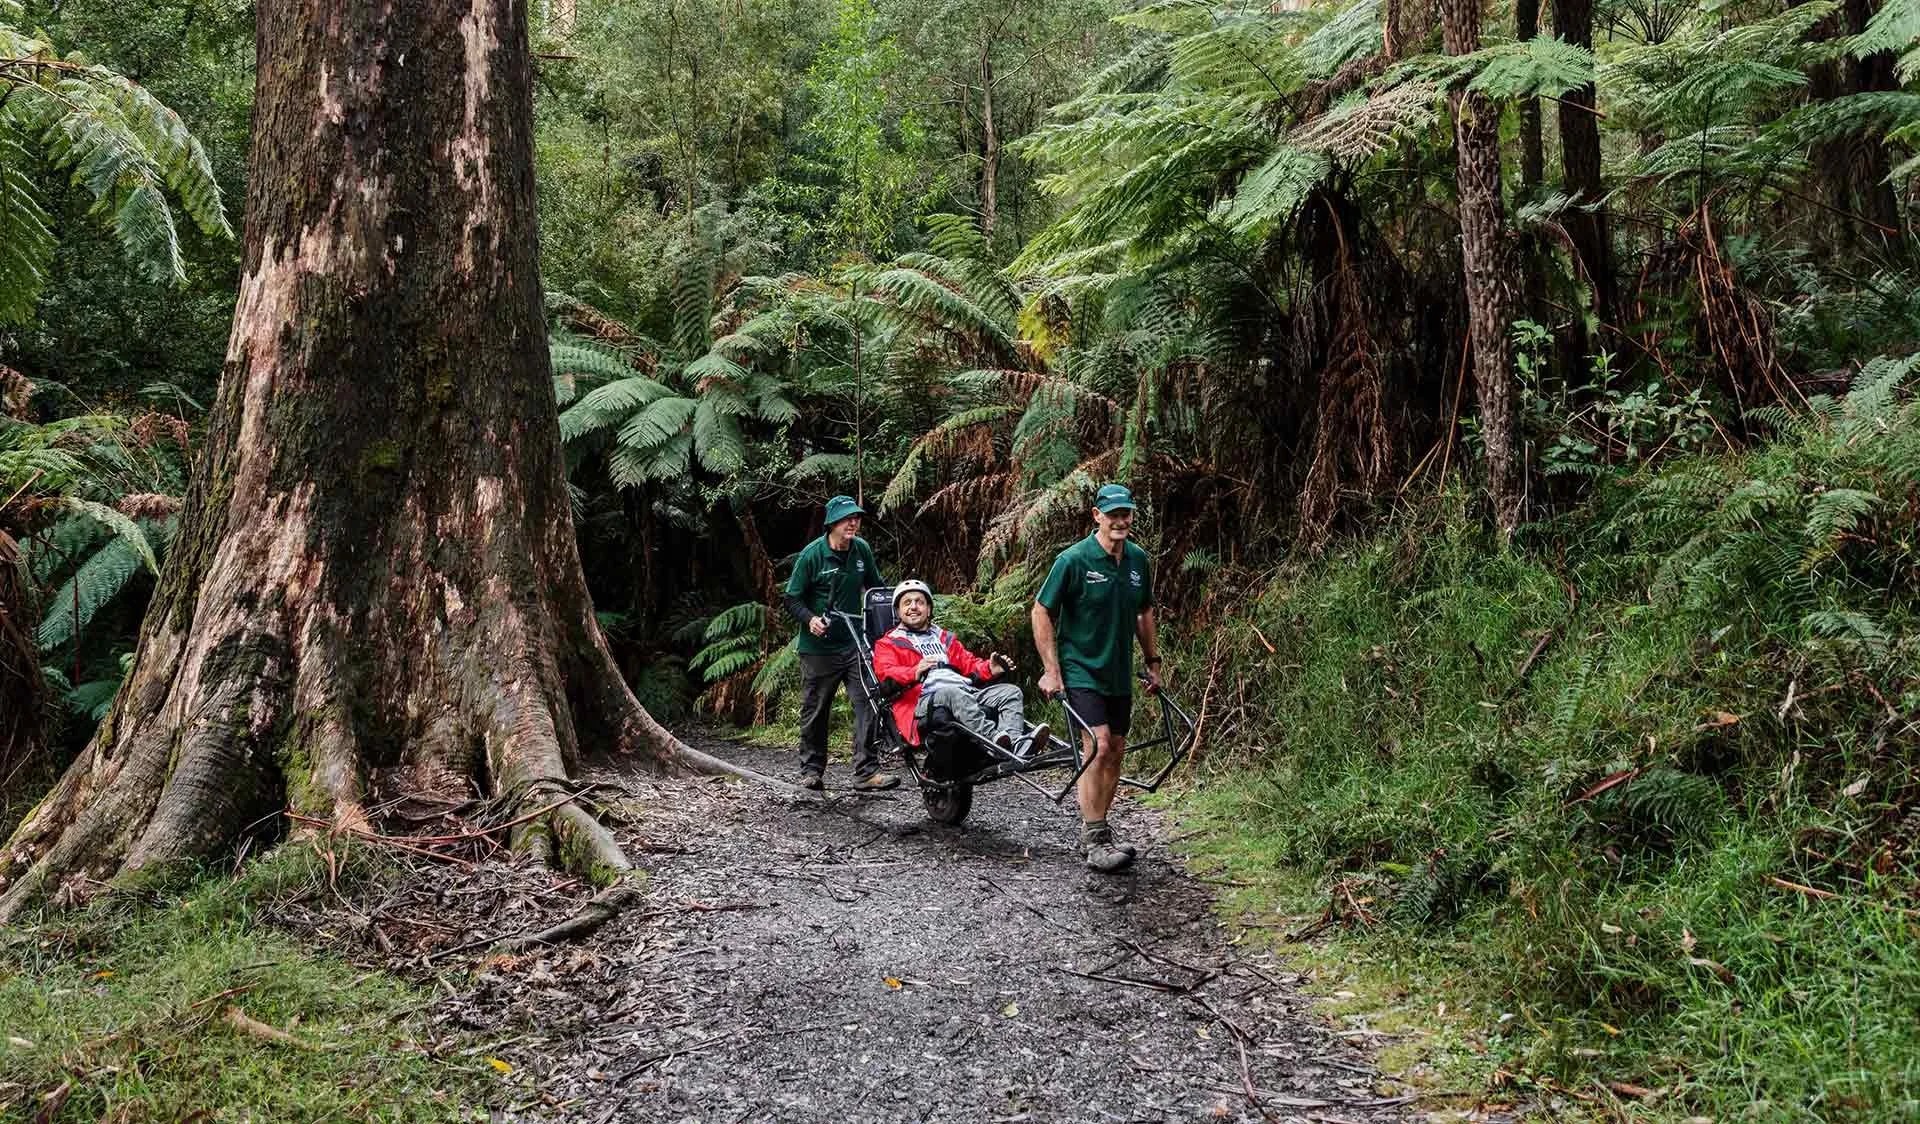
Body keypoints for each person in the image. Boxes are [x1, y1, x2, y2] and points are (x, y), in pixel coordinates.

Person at [1032, 483, 1162, 873]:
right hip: (1080, 668)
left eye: (1126, 514)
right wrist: (1052, 670)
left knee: (1117, 747)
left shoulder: (1138, 560)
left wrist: (1153, 661)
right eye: (1113, 514)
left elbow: (1144, 613)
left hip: (1118, 670)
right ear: (1097, 516)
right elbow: (1041, 611)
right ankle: (1095, 836)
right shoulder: (1073, 560)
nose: (1120, 521)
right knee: (1099, 745)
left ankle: (1099, 829)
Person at [783, 495, 898, 791]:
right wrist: (810, 619)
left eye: (857, 517)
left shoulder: (861, 550)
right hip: (818, 649)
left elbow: (876, 590)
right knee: (816, 709)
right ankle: (811, 770)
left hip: (855, 643)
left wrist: (891, 621)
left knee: (867, 703)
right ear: (831, 523)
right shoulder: (812, 555)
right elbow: (791, 598)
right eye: (847, 518)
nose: (853, 522)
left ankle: (866, 771)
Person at [873, 580, 1049, 755]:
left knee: (1010, 692)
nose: (913, 607)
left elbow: (969, 663)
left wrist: (990, 668)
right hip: (923, 699)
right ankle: (994, 741)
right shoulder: (888, 643)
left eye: (919, 602)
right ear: (898, 611)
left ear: (929, 609)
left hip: (965, 691)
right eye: (907, 603)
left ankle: (1016, 744)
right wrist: (914, 671)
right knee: (952, 692)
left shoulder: (944, 638)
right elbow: (885, 673)